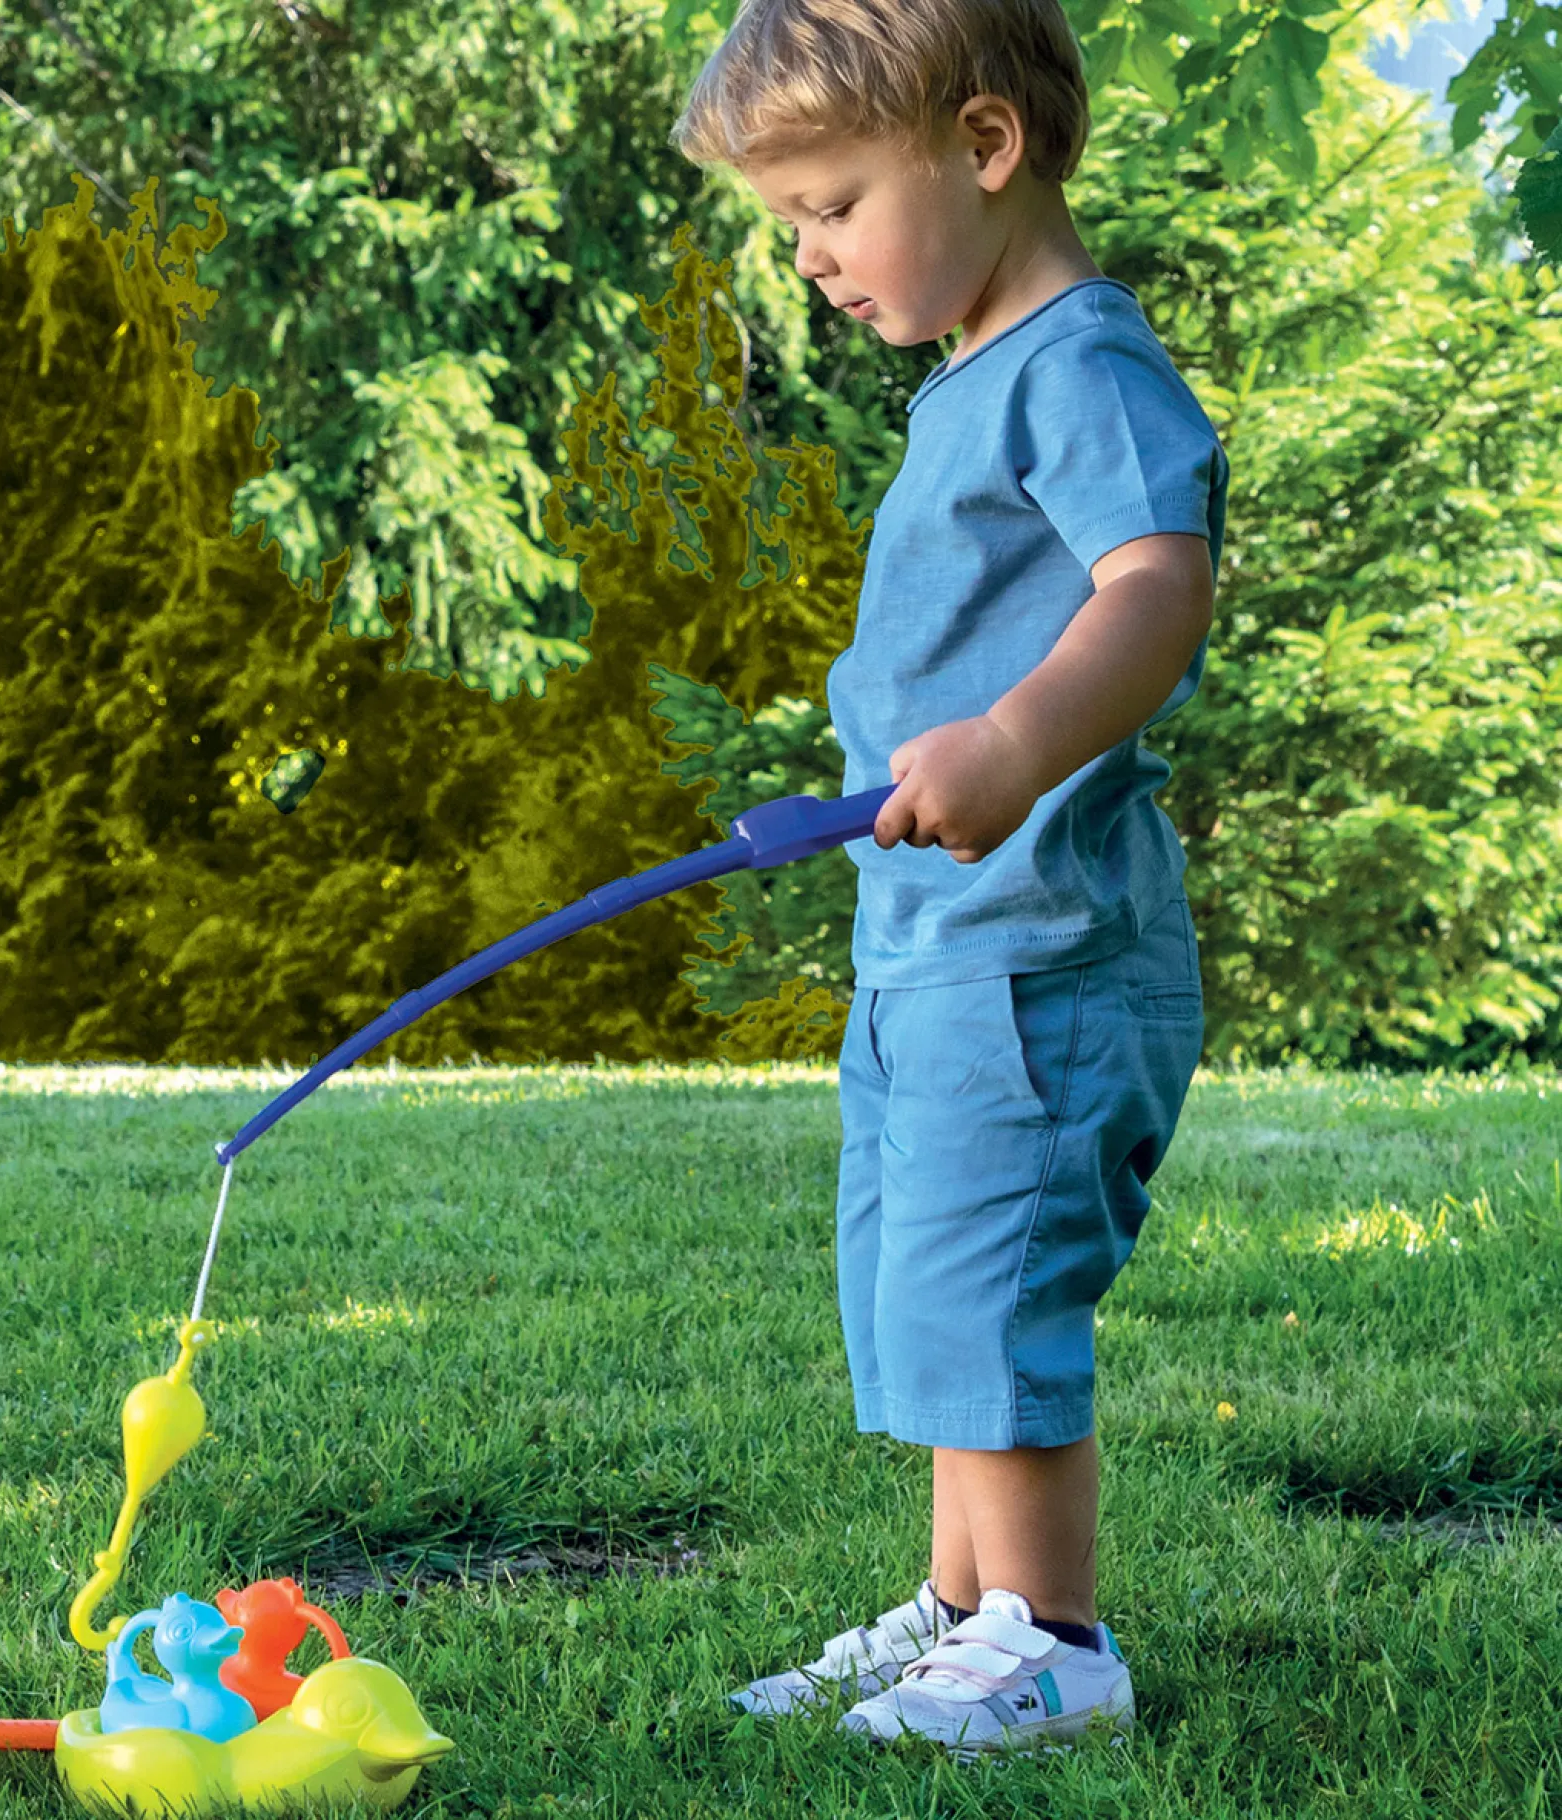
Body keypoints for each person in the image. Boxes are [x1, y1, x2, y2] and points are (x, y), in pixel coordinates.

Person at [668, 0, 1230, 1760]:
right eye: (794, 227)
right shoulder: (971, 378)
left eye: (833, 206)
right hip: (938, 946)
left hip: (1045, 951)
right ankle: (963, 1611)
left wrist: (1012, 741)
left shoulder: (1083, 365)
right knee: (927, 1286)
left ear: (985, 149)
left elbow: (1156, 587)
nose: (813, 259)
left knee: (994, 1286)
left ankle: (1053, 1640)